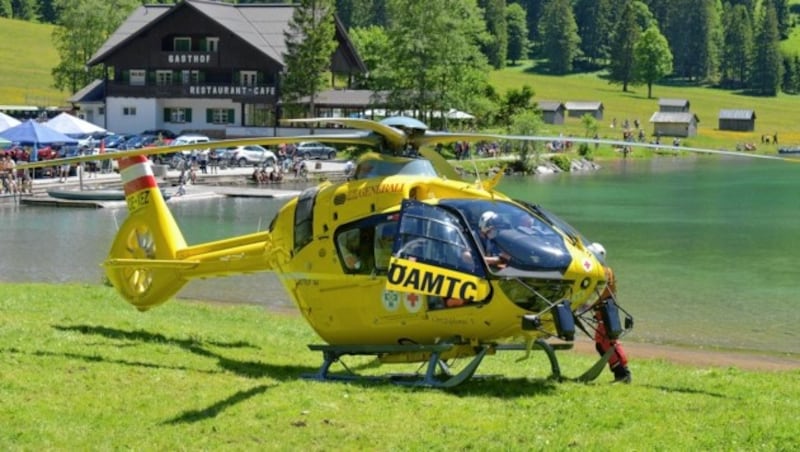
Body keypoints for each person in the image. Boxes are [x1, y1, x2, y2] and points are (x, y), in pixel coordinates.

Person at [590, 254, 632, 384]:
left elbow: (597, 292)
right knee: (606, 342)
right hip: (606, 310)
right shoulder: (607, 270)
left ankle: (623, 374)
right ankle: (622, 373)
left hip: (605, 311)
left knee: (605, 342)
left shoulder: (602, 271)